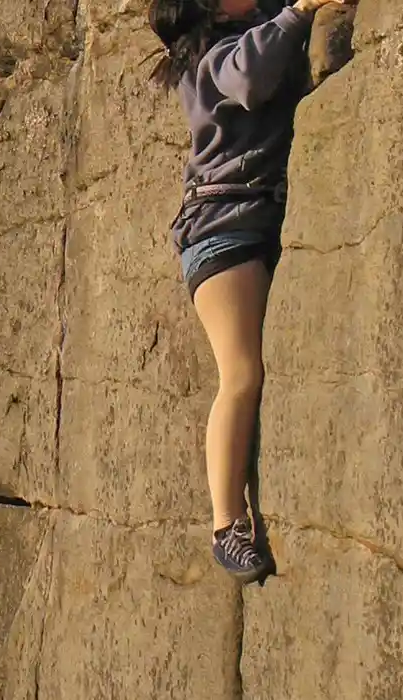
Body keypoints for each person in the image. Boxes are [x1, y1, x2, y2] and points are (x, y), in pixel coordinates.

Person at [149, 0, 348, 582]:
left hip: (253, 216)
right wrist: (300, 12)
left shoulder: (247, 27)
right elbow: (249, 79)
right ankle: (224, 525)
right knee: (240, 374)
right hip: (221, 230)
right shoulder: (209, 59)